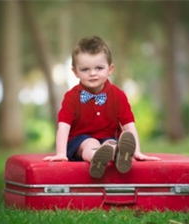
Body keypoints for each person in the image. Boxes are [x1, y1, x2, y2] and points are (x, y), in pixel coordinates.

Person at [43, 36, 160, 178]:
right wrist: (61, 153)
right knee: (89, 143)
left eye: (99, 68)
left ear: (110, 69)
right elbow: (63, 127)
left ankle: (118, 154)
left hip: (108, 138)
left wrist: (137, 152)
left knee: (111, 143)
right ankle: (96, 157)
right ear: (75, 72)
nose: (92, 73)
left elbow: (129, 126)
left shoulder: (118, 95)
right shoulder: (71, 97)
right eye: (85, 69)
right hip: (79, 142)